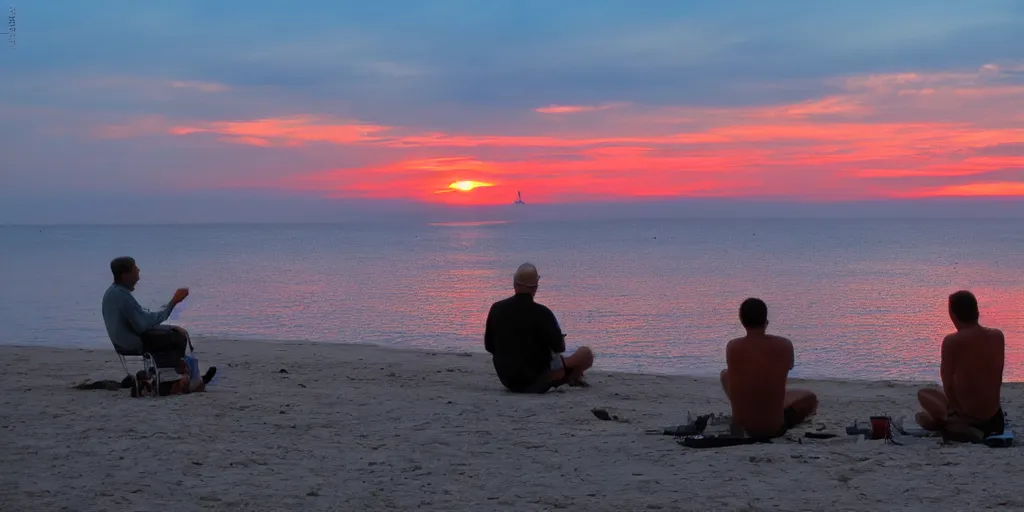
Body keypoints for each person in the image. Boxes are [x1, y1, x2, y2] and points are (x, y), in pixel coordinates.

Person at [484, 263, 594, 393]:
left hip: (508, 379)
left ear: (514, 284)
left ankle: (569, 377)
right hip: (537, 379)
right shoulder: (543, 313)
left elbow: (489, 346)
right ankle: (569, 377)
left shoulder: (496, 309)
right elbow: (559, 348)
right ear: (535, 288)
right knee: (585, 354)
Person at [720, 298, 818, 438]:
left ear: (742, 321)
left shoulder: (732, 346)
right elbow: (788, 366)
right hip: (773, 429)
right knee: (810, 398)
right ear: (766, 320)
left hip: (741, 427)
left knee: (725, 374)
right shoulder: (784, 345)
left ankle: (745, 409)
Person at [915, 290, 1005, 441]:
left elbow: (947, 382)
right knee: (928, 394)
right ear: (976, 311)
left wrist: (954, 412)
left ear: (953, 314)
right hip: (994, 417)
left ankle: (958, 425)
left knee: (922, 407)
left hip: (967, 416)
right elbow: (997, 376)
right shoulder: (997, 336)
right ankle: (958, 423)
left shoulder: (952, 341)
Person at [101, 256, 192, 368]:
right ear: (125, 275)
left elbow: (141, 319)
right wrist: (174, 301)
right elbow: (143, 324)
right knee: (177, 336)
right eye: (135, 268)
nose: (138, 270)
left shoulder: (112, 292)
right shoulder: (122, 296)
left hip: (120, 342)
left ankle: (171, 373)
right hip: (131, 343)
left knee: (172, 331)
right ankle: (172, 376)